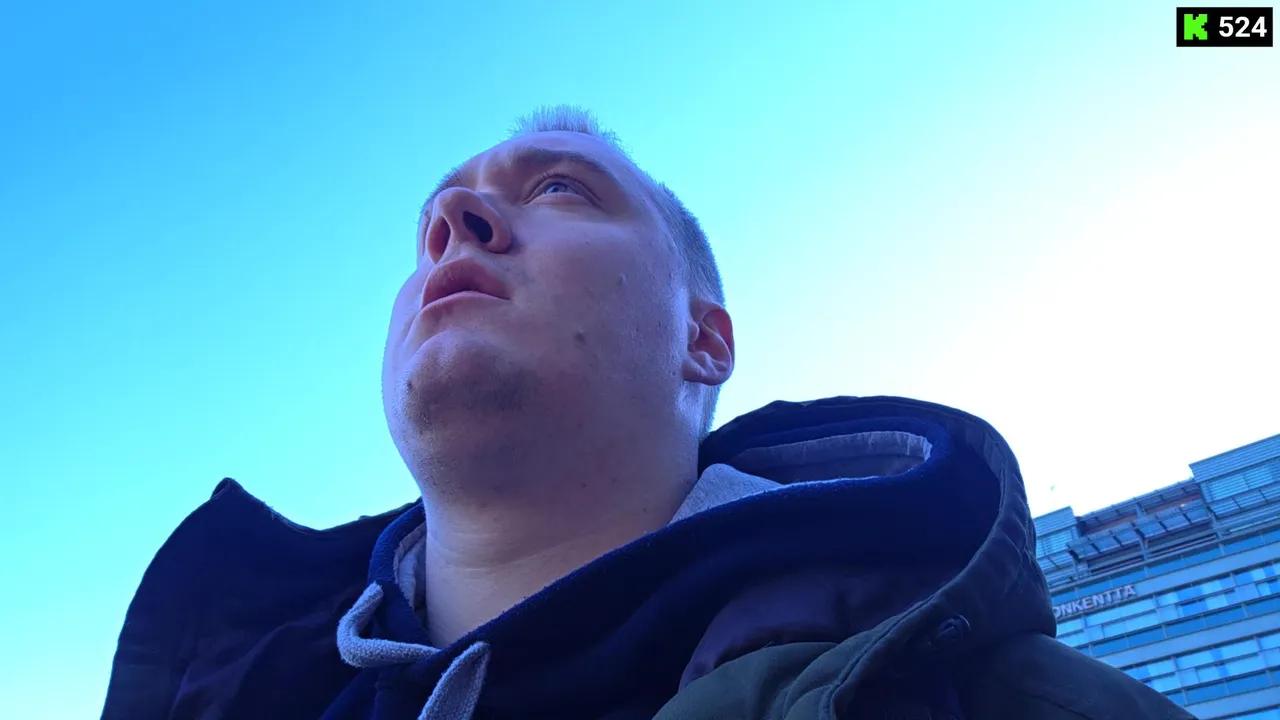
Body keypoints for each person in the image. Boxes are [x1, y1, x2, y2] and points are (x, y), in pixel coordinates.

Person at [102, 106, 1191, 720]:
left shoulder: (1010, 705)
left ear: (703, 341)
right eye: (433, 220)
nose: (452, 220)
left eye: (559, 189)